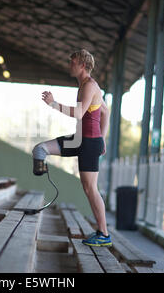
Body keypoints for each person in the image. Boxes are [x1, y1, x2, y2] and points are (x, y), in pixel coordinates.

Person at [32, 49, 111, 247]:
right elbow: (105, 111)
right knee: (40, 149)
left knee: (90, 188)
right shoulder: (85, 85)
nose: (70, 65)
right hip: (80, 140)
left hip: (89, 143)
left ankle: (104, 234)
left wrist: (53, 104)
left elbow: (78, 113)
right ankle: (41, 170)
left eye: (73, 62)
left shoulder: (90, 86)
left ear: (82, 65)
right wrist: (103, 138)